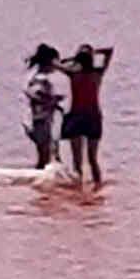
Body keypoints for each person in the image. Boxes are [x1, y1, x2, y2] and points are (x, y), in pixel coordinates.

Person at [57, 44, 112, 185]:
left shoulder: (73, 73)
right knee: (93, 159)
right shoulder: (97, 74)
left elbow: (56, 63)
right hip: (92, 117)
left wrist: (70, 59)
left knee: (78, 160)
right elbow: (109, 51)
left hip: (78, 116)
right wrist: (95, 51)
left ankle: (79, 188)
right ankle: (97, 185)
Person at [23, 45, 67, 169]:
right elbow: (35, 95)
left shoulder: (35, 77)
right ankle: (41, 178)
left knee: (45, 152)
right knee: (44, 153)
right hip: (39, 119)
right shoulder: (40, 79)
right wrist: (53, 101)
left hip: (39, 118)